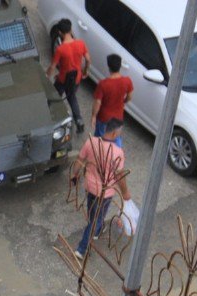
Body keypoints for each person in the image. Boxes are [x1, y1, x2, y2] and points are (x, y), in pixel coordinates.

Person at [70, 118, 131, 259]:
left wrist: (74, 176)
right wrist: (125, 193)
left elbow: (80, 160)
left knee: (93, 211)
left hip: (89, 186)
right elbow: (119, 175)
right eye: (119, 133)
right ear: (115, 133)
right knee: (95, 219)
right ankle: (81, 248)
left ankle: (97, 231)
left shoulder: (91, 142)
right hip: (105, 192)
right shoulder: (117, 152)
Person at [46, 18, 91, 134]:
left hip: (62, 80)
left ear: (60, 33)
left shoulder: (60, 49)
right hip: (76, 78)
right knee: (72, 97)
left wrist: (47, 76)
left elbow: (52, 66)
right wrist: (85, 71)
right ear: (71, 30)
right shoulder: (81, 43)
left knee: (54, 97)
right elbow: (88, 59)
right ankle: (79, 120)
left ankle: (49, 118)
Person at [91, 54, 133, 147]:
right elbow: (130, 97)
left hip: (104, 117)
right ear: (120, 66)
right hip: (118, 117)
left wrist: (93, 116)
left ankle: (99, 156)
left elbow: (98, 102)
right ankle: (117, 155)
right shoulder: (127, 81)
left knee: (99, 139)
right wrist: (123, 101)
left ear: (109, 67)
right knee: (116, 137)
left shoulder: (103, 84)